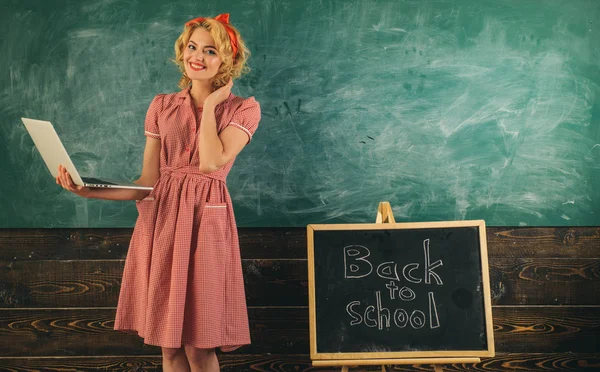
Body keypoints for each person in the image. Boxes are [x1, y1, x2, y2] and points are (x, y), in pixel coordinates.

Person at [55, 13, 260, 372]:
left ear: (227, 59)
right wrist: (88, 191)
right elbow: (147, 182)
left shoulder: (244, 109)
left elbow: (211, 163)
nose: (198, 56)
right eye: (193, 47)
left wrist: (210, 105)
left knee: (200, 347)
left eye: (211, 51)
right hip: (162, 223)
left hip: (206, 225)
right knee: (168, 348)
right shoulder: (162, 105)